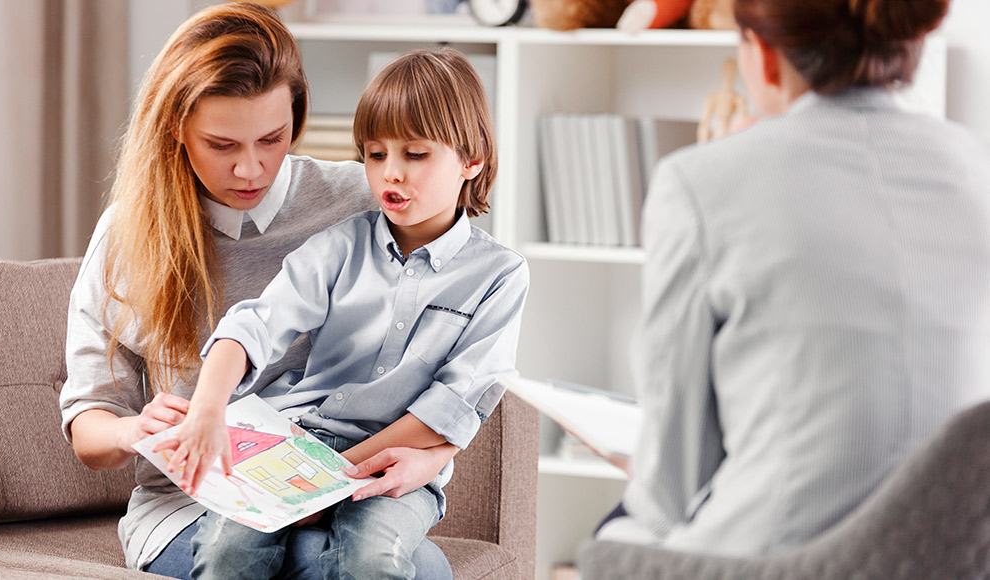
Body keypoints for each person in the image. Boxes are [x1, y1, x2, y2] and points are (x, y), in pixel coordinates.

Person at [59, 4, 456, 578]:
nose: (251, 169)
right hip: (189, 509)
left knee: (413, 567)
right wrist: (132, 430)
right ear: (176, 128)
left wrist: (438, 452)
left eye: (272, 138)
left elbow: (457, 343)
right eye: (222, 145)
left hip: (340, 494)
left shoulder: (362, 205)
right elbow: (89, 423)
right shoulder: (129, 234)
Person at [596, 0, 990, 558]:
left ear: (764, 54)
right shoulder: (978, 167)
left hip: (785, 561)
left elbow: (671, 490)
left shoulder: (700, 183)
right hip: (953, 556)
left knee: (614, 531)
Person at [155, 47, 528, 580]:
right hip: (295, 443)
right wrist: (209, 409)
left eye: (415, 155)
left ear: (472, 160)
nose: (391, 174)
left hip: (396, 467)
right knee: (225, 549)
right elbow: (254, 324)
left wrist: (339, 474)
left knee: (372, 561)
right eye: (375, 156)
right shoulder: (337, 247)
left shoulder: (499, 275)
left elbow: (453, 403)